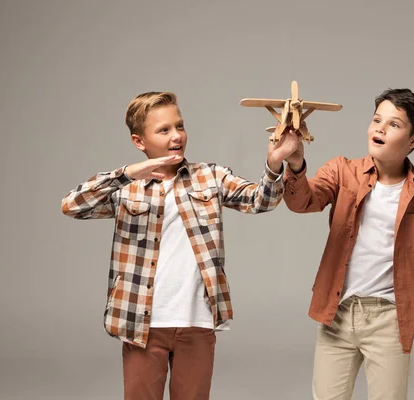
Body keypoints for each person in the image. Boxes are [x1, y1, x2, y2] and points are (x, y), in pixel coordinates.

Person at [61, 91, 299, 400]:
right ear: (139, 141)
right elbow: (72, 205)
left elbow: (261, 201)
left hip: (197, 321)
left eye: (180, 126)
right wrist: (128, 173)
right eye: (164, 130)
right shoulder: (126, 187)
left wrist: (274, 163)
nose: (177, 136)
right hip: (141, 322)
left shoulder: (211, 176)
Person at [282, 88, 414, 400]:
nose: (380, 128)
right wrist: (297, 164)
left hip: (391, 320)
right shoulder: (342, 171)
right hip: (337, 314)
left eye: (394, 124)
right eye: (376, 119)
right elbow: (302, 202)